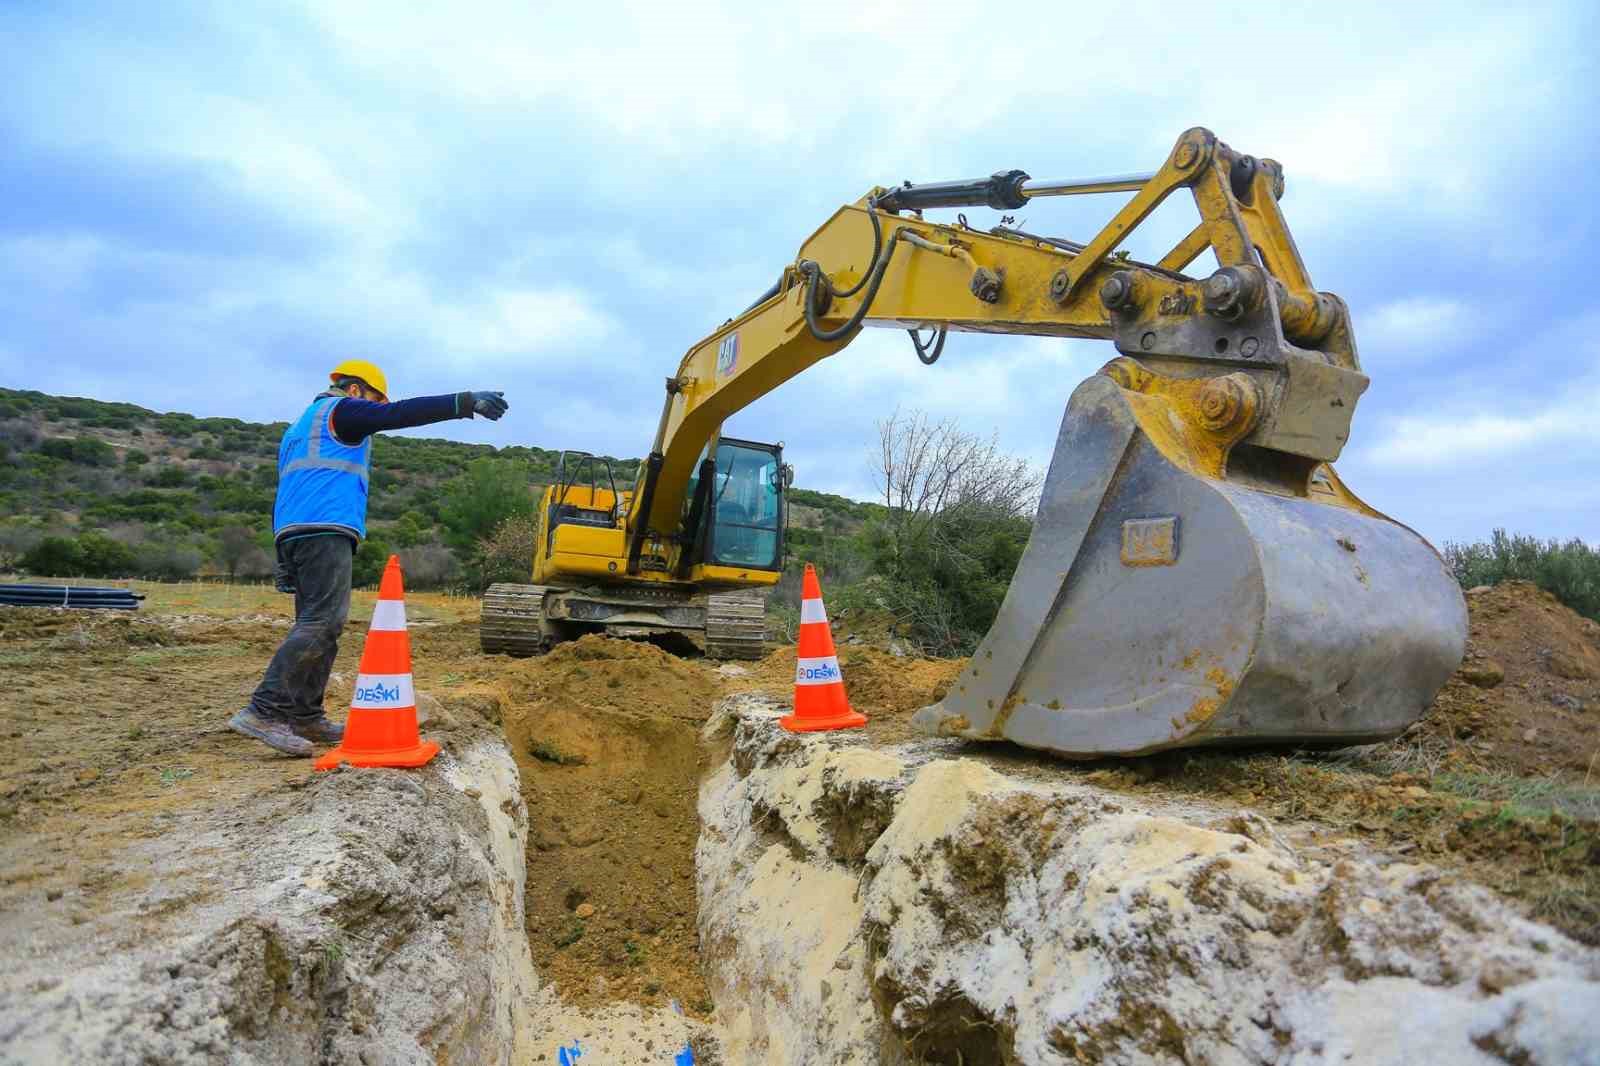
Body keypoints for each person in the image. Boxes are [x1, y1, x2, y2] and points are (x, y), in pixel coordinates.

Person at [229, 359, 509, 756]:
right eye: (374, 400)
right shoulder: (341, 411)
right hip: (324, 527)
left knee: (320, 625)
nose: (376, 409)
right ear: (357, 390)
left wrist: (281, 553)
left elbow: (288, 488)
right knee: (322, 622)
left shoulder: (298, 428)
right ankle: (264, 710)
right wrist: (463, 402)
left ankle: (306, 716)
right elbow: (399, 414)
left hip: (295, 530)